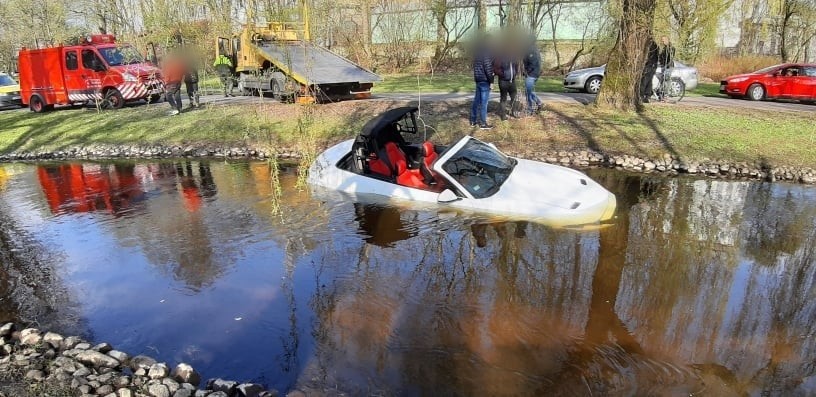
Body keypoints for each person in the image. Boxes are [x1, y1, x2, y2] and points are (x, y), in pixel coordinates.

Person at [470, 39, 494, 130]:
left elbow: (476, 67)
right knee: (484, 103)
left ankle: (473, 120)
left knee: (476, 101)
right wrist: (491, 81)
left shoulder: (477, 53)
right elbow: (488, 68)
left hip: (478, 80)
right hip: (484, 80)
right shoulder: (486, 52)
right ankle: (483, 123)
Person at [494, 49, 518, 121]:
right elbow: (495, 69)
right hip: (503, 81)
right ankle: (503, 115)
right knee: (503, 98)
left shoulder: (513, 58)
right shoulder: (499, 58)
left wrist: (514, 74)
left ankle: (514, 112)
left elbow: (516, 67)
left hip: (512, 81)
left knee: (514, 97)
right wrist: (503, 74)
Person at [522, 40, 543, 115]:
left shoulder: (531, 51)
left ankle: (530, 109)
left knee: (528, 92)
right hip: (535, 74)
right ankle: (539, 102)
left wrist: (526, 72)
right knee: (528, 91)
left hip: (532, 75)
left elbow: (533, 64)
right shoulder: (534, 49)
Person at [656, 36, 675, 101]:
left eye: (663, 40)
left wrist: (668, 64)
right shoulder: (664, 48)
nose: (662, 42)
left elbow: (671, 57)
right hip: (663, 66)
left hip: (668, 66)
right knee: (662, 80)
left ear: (667, 40)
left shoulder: (671, 48)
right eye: (662, 40)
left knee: (666, 80)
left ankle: (666, 95)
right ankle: (661, 94)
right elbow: (661, 57)